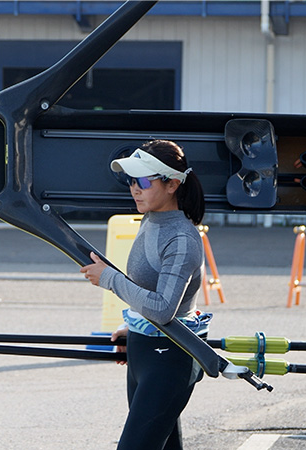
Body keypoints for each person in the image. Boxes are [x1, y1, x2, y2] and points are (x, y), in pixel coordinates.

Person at [80, 140, 208, 450]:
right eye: (131, 180)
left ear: (172, 184)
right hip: (146, 350)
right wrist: (136, 327)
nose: (134, 189)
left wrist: (109, 279)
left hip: (171, 358)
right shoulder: (151, 218)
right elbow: (153, 295)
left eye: (144, 181)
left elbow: (165, 309)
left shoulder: (181, 238)